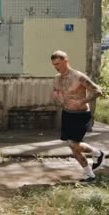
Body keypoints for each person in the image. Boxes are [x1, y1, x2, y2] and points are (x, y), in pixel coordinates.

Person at [51, 50, 105, 182]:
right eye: (54, 65)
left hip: (81, 115)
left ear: (66, 60)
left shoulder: (78, 77)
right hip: (67, 114)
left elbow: (98, 91)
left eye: (58, 63)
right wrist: (57, 99)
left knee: (73, 144)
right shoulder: (57, 78)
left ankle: (97, 153)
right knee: (73, 147)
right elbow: (56, 93)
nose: (57, 67)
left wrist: (82, 101)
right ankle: (89, 174)